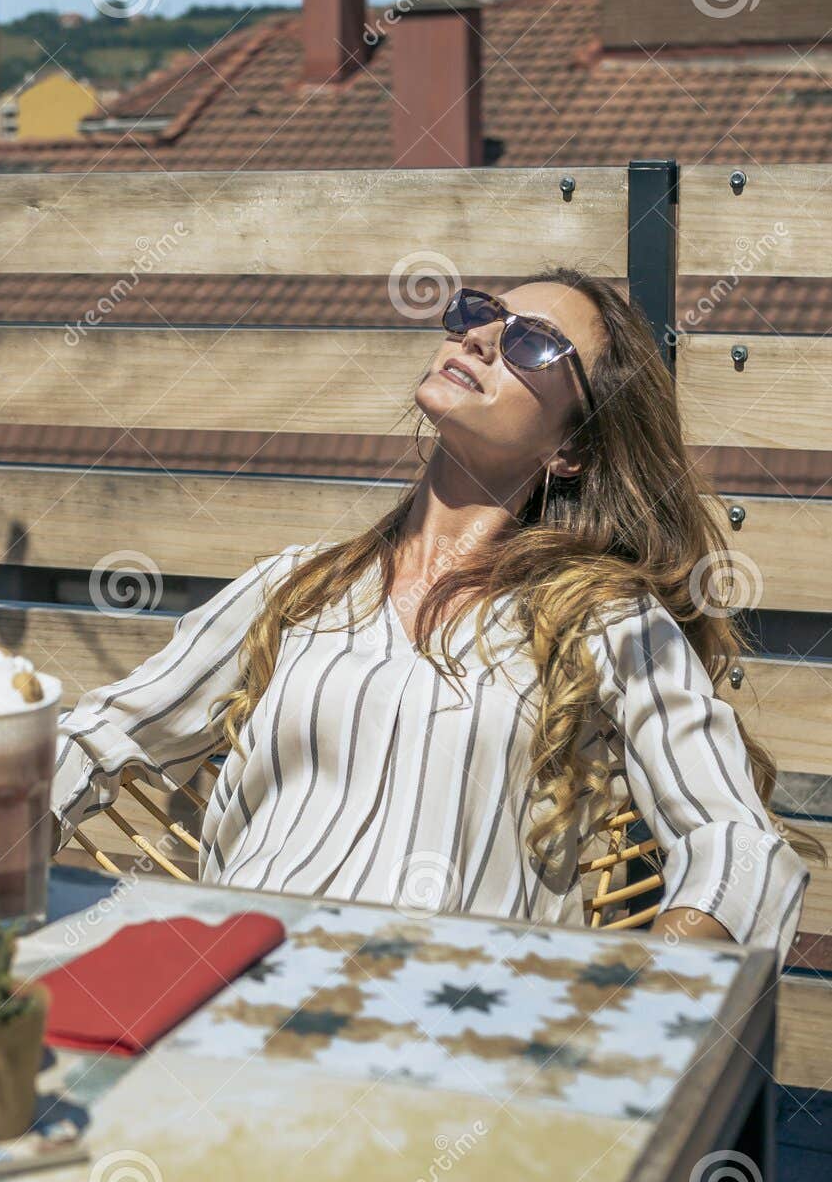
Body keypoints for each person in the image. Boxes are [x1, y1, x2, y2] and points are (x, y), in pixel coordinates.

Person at [50, 266, 813, 968]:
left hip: (446, 1038)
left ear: (571, 450)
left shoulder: (603, 618)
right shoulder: (295, 585)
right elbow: (94, 739)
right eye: (479, 313)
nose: (477, 334)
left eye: (532, 343)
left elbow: (739, 848)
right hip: (228, 1001)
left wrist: (644, 1003)